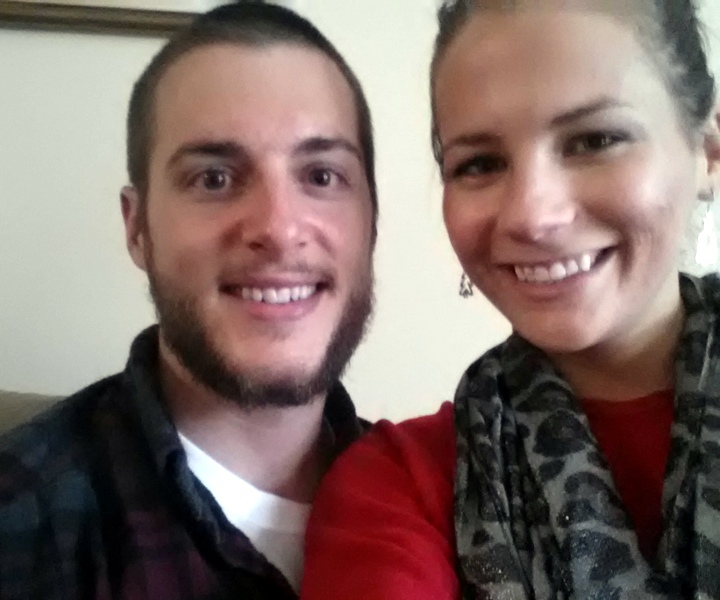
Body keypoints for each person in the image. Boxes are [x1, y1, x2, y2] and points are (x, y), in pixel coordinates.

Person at [0, 4, 377, 598]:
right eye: (214, 178)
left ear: (372, 220)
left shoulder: (456, 503)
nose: (279, 227)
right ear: (137, 229)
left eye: (321, 176)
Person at [301, 0, 720, 598]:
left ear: (707, 151)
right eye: (481, 164)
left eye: (594, 140)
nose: (532, 215)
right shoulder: (401, 483)